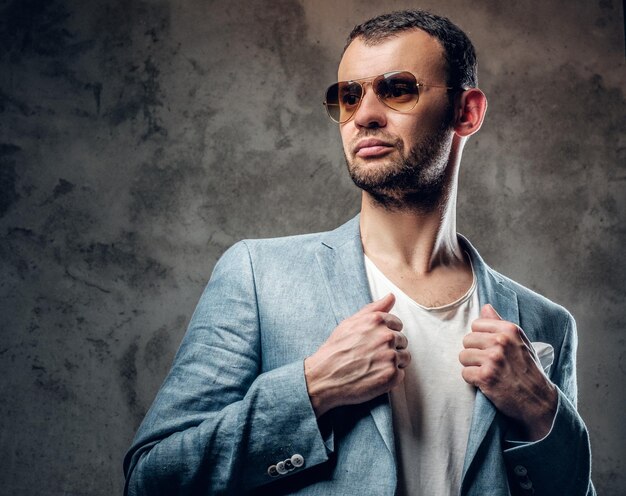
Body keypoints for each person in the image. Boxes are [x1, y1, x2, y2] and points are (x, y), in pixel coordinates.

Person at [123, 9, 594, 496]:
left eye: (396, 89)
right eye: (348, 96)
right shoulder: (258, 278)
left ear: (466, 112)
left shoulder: (545, 324)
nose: (364, 115)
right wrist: (311, 390)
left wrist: (545, 414)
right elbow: (151, 480)